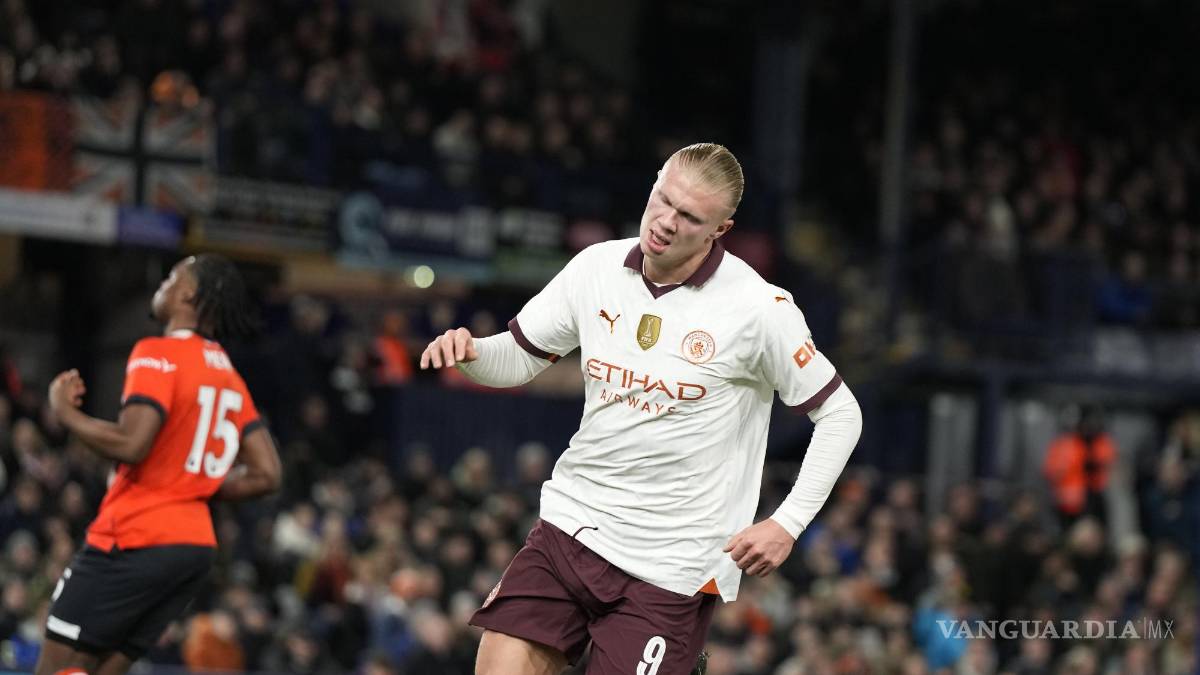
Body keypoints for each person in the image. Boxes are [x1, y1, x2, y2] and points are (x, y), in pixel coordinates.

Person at [421, 143, 863, 675]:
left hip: (670, 568)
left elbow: (841, 413)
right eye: (663, 200)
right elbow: (518, 357)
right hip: (572, 526)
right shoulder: (596, 268)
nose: (666, 222)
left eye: (690, 217)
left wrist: (787, 523)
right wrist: (472, 354)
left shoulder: (758, 309)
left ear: (720, 229)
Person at [35, 255, 283, 675]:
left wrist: (66, 414)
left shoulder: (158, 352)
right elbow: (268, 474)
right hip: (193, 549)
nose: (163, 284)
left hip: (135, 535)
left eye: (171, 278)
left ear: (187, 294)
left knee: (56, 669)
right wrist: (192, 484)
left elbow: (132, 444)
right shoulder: (227, 373)